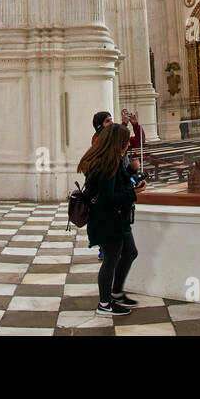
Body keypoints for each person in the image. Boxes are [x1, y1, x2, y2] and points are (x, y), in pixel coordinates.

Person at [78, 124, 139, 316]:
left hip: (115, 219)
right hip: (107, 221)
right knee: (111, 260)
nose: (129, 144)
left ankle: (116, 292)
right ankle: (105, 304)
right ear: (117, 142)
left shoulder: (113, 161)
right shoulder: (107, 164)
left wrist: (129, 171)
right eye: (126, 140)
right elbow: (107, 198)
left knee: (130, 253)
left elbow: (115, 185)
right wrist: (134, 193)